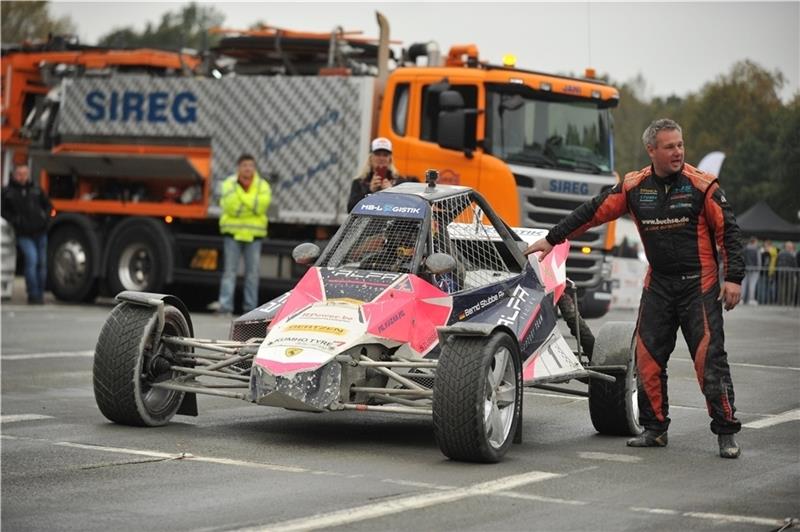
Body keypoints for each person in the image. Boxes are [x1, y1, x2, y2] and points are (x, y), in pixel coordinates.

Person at [524, 118, 745, 458]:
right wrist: (551, 238)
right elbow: (593, 212)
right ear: (651, 150)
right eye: (670, 146)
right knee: (647, 359)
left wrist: (733, 279)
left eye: (680, 145)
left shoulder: (703, 185)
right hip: (658, 284)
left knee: (708, 360)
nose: (678, 152)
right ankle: (654, 429)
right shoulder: (634, 186)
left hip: (698, 286)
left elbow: (728, 232)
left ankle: (726, 431)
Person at [215, 154, 271, 315]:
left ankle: (250, 310)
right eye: (245, 165)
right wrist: (251, 204)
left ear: (255, 168)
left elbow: (260, 207)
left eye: (251, 165)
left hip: (254, 236)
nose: (248, 168)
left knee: (252, 275)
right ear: (238, 167)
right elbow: (232, 207)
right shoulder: (228, 184)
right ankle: (225, 308)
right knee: (229, 273)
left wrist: (242, 201)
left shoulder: (263, 185)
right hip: (233, 235)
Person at [1, 164, 53, 304]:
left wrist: (46, 219)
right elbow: (4, 211)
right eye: (20, 173)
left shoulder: (36, 189)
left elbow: (48, 206)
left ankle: (40, 293)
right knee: (32, 260)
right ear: (14, 174)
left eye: (25, 173)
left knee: (42, 264)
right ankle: (33, 293)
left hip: (40, 232)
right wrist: (15, 221)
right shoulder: (8, 192)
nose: (23, 177)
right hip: (24, 233)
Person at [347, 137, 411, 212]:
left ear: (390, 159)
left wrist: (392, 192)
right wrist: (369, 191)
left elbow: (408, 208)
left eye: (385, 155)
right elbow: (350, 209)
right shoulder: (359, 182)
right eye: (377, 154)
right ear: (370, 158)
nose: (381, 158)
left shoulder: (400, 182)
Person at [776, 242, 797, 306]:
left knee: (781, 288)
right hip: (789, 274)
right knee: (789, 289)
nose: (791, 248)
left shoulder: (780, 253)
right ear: (788, 247)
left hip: (781, 273)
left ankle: (781, 302)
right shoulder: (792, 255)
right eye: (790, 247)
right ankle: (787, 302)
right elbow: (794, 264)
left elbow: (777, 263)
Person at [742, 237, 761, 305]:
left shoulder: (745, 249)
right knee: (752, 285)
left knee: (743, 284)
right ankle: (751, 299)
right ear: (754, 242)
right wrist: (759, 269)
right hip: (754, 269)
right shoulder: (757, 250)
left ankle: (741, 299)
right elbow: (759, 261)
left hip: (745, 268)